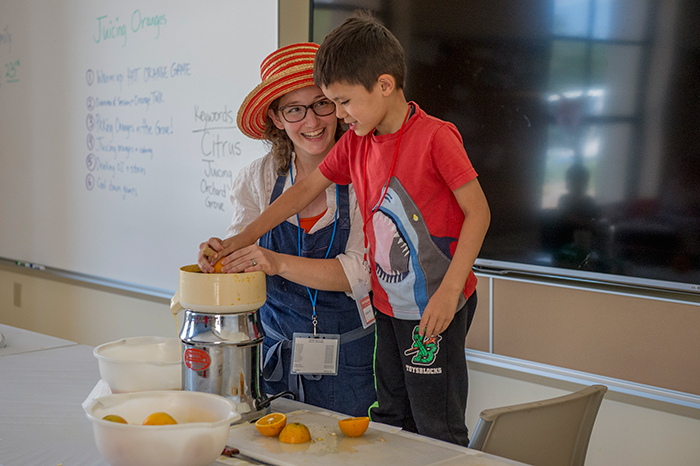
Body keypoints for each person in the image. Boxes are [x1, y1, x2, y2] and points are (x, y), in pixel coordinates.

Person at [206, 13, 490, 447]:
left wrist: (451, 292)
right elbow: (299, 194)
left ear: (384, 85)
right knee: (393, 416)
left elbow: (479, 212)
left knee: (438, 424)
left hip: (435, 302)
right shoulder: (357, 141)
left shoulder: (435, 138)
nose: (334, 116)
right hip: (390, 306)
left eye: (340, 103)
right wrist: (235, 242)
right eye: (327, 103)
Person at [198, 42, 376, 418]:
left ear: (338, 106)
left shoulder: (368, 174)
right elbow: (242, 264)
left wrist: (275, 262)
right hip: (275, 360)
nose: (311, 122)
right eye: (294, 110)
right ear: (277, 119)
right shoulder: (258, 179)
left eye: (321, 104)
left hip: (351, 362)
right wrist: (219, 257)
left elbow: (362, 273)